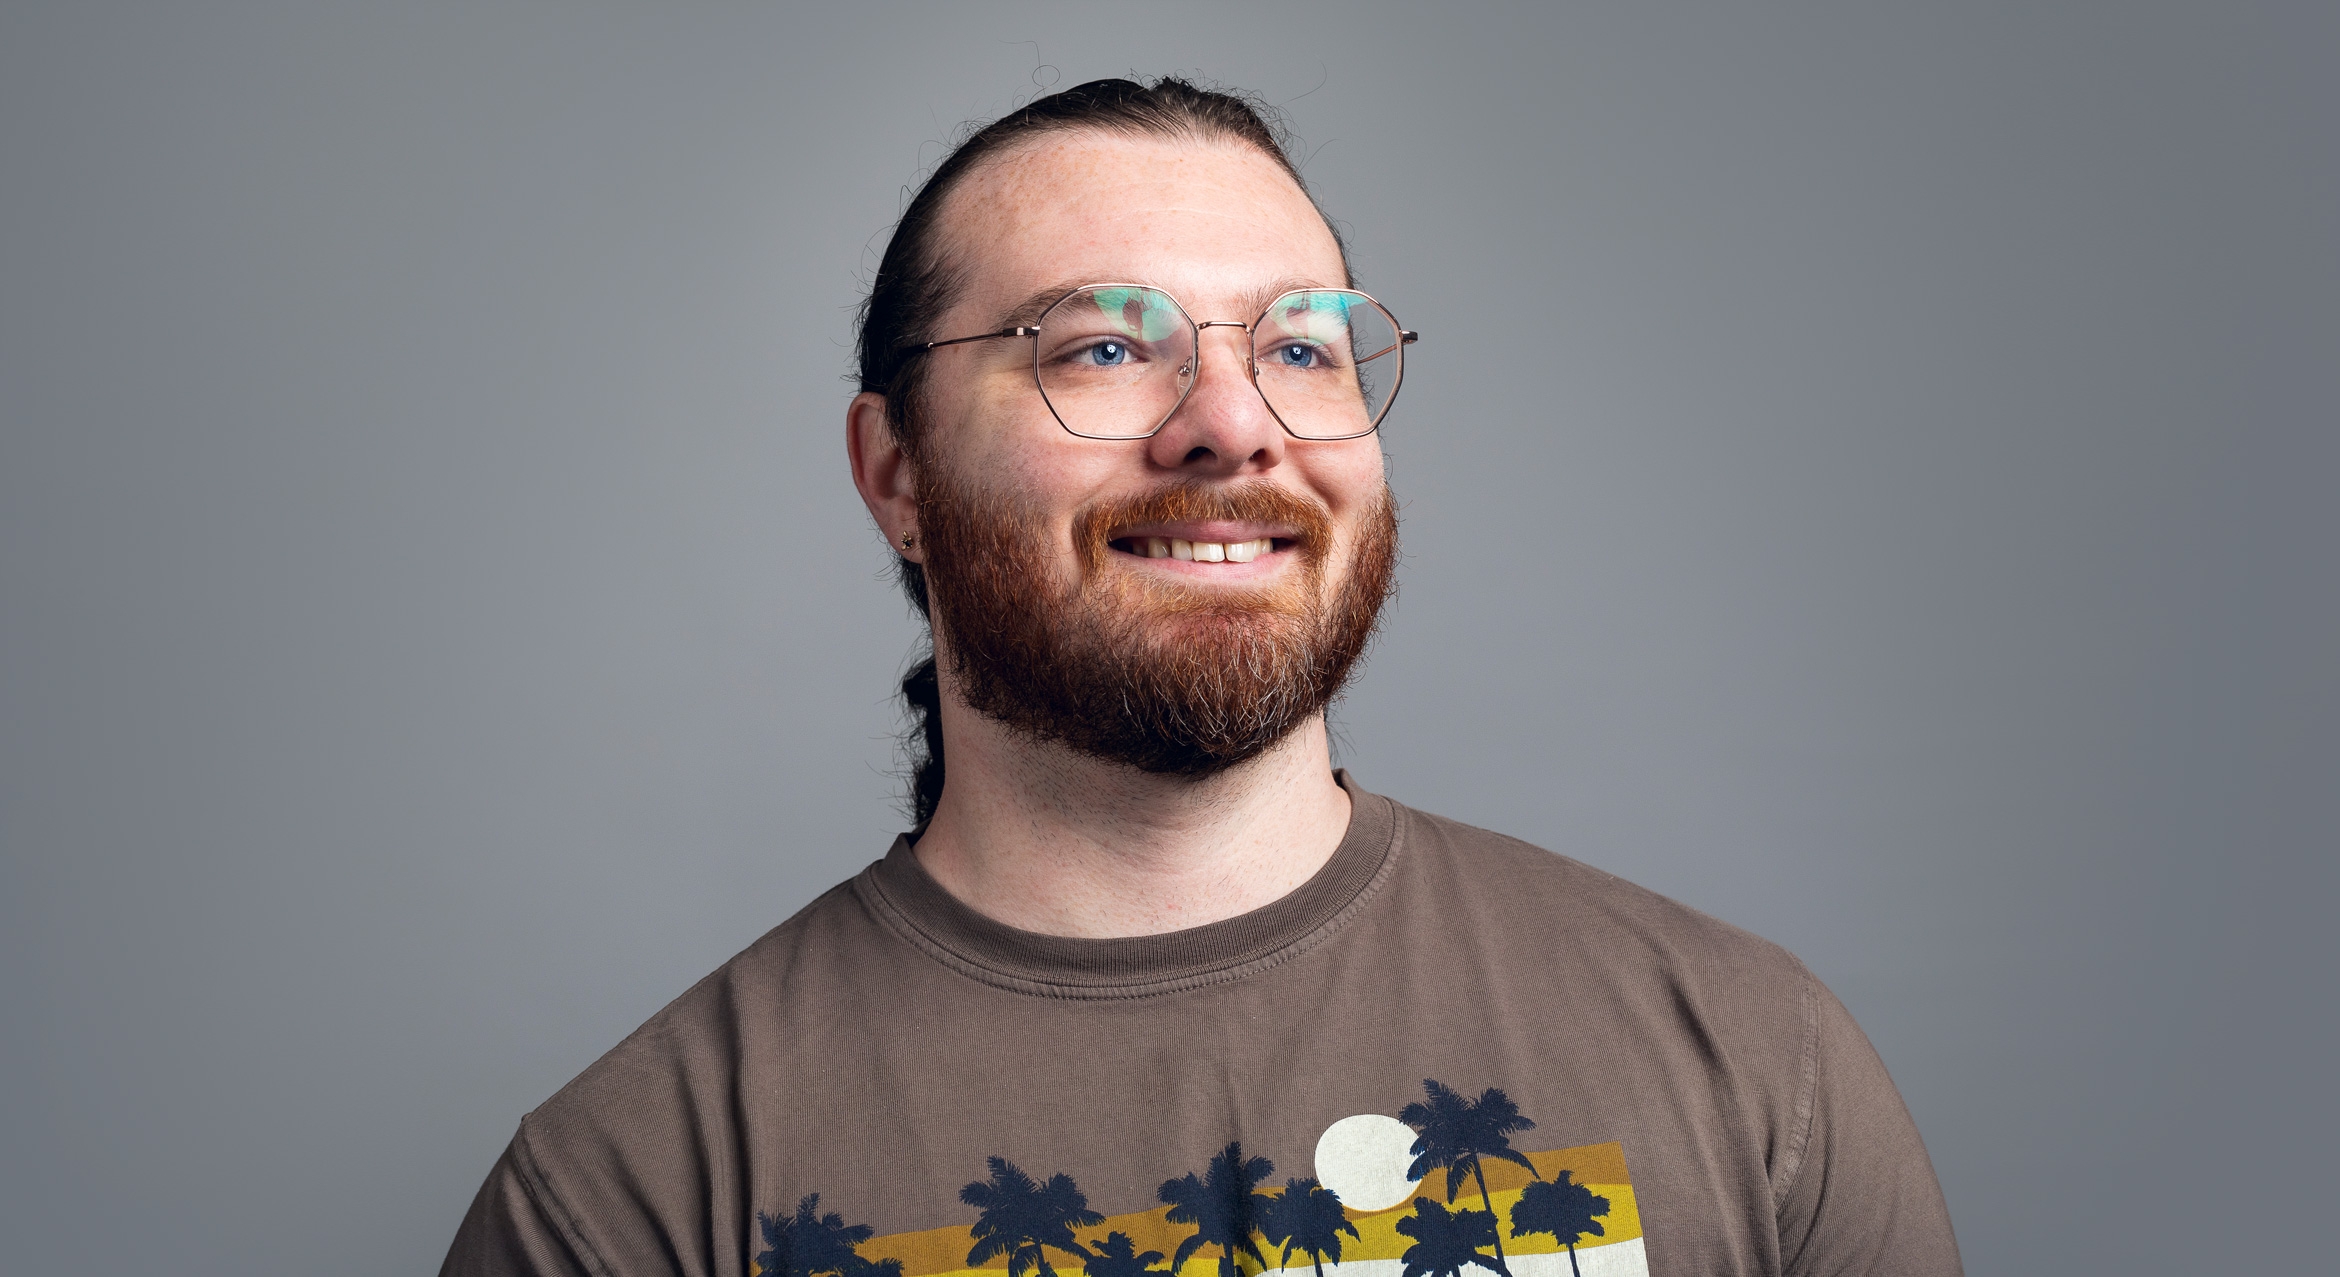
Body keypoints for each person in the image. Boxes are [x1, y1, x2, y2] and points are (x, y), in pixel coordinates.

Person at [441, 77, 1960, 1277]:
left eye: (1303, 347)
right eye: (1105, 348)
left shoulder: (1754, 1066)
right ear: (893, 471)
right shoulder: (633, 1195)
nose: (1232, 425)